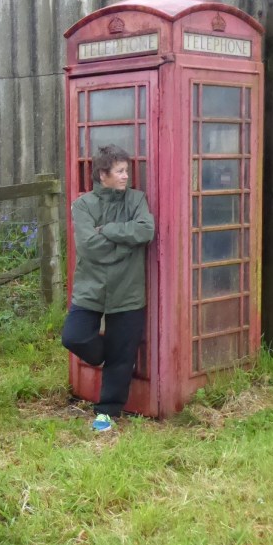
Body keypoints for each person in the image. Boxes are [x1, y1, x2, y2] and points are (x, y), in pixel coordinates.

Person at [62, 144, 155, 431]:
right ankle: (102, 353)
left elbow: (146, 231)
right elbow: (89, 247)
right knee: (74, 336)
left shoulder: (137, 200)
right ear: (103, 175)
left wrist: (110, 231)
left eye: (127, 170)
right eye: (120, 171)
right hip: (91, 288)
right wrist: (126, 245)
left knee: (122, 355)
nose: (127, 176)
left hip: (128, 290)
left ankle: (107, 413)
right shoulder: (83, 205)